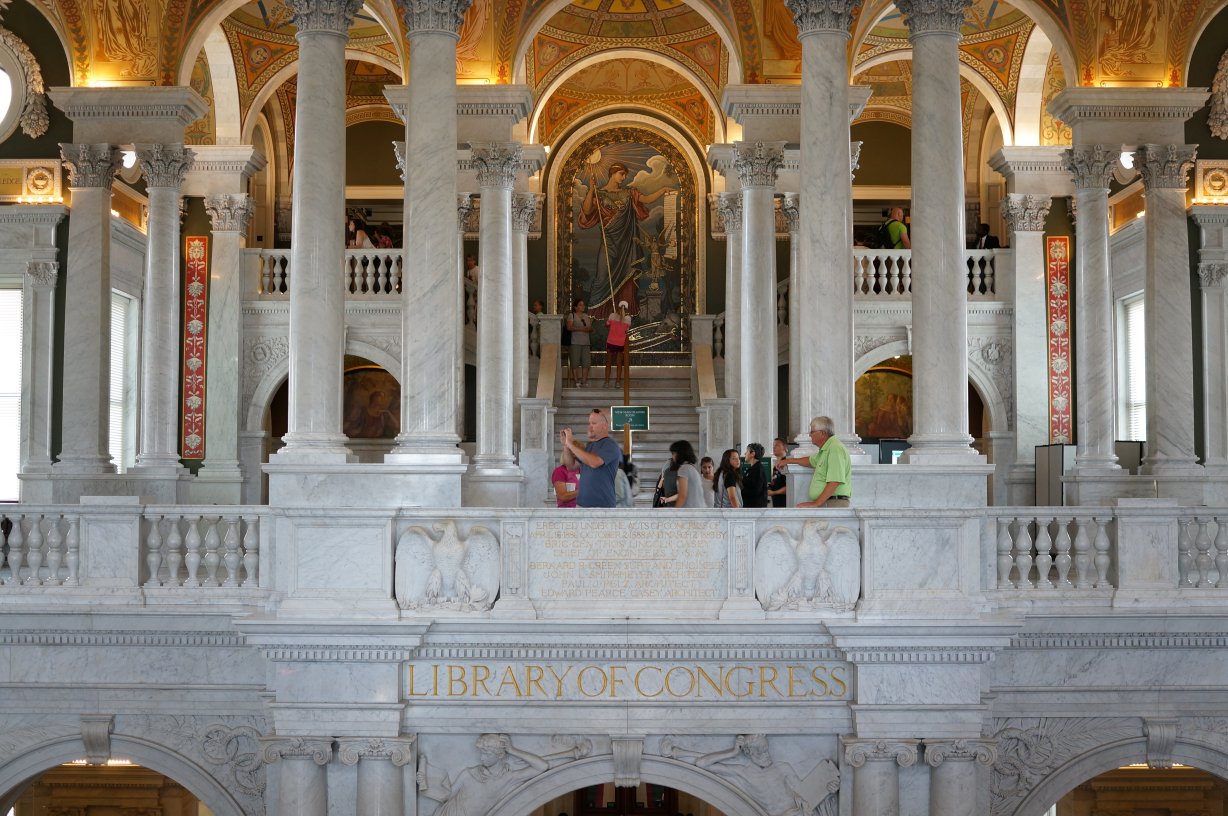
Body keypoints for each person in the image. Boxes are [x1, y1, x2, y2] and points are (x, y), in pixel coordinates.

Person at [578, 161, 674, 318]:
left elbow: (648, 199)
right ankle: (598, 313)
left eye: (625, 175)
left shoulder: (629, 193)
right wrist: (591, 189)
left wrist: (662, 189)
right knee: (602, 276)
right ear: (613, 173)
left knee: (627, 279)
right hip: (609, 243)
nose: (623, 177)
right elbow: (587, 210)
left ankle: (625, 314)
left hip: (626, 245)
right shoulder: (599, 194)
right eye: (621, 174)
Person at [780, 415, 852, 508]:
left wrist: (816, 503)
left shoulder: (835, 448)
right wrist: (788, 460)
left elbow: (835, 481)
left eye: (812, 432)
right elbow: (811, 461)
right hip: (828, 502)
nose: (810, 435)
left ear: (822, 433)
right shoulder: (826, 449)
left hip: (833, 502)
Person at [560, 409, 620, 508]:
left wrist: (570, 444)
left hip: (602, 507)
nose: (589, 427)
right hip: (581, 505)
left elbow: (594, 462)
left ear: (605, 425)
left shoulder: (610, 445)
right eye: (589, 423)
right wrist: (566, 446)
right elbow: (571, 466)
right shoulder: (590, 446)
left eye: (594, 423)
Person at [662, 440, 704, 508]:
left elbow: (682, 495)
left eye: (673, 453)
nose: (672, 456)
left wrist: (676, 513)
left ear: (679, 454)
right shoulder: (691, 468)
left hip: (691, 512)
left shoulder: (683, 469)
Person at [604, 300, 632, 387]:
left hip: (611, 341)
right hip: (620, 343)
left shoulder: (612, 316)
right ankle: (618, 382)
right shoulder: (628, 319)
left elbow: (606, 324)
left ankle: (607, 382)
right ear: (626, 309)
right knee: (619, 363)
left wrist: (609, 317)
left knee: (608, 362)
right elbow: (627, 331)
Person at [566, 299, 593, 387]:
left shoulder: (586, 316)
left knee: (586, 362)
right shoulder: (572, 315)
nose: (583, 306)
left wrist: (589, 329)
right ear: (575, 307)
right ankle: (576, 380)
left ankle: (584, 381)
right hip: (575, 342)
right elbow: (569, 327)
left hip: (586, 342)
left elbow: (590, 328)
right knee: (575, 362)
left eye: (583, 305)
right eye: (580, 305)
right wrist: (581, 329)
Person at [741, 442, 769, 508]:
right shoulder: (753, 468)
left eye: (746, 451)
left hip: (755, 508)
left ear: (752, 453)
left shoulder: (758, 469)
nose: (745, 454)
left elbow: (756, 490)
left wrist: (740, 491)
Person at [768, 438, 788, 508]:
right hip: (776, 504)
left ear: (785, 448)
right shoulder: (775, 466)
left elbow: (790, 486)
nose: (774, 447)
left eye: (777, 445)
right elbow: (774, 482)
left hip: (785, 504)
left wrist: (773, 493)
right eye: (773, 446)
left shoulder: (787, 464)